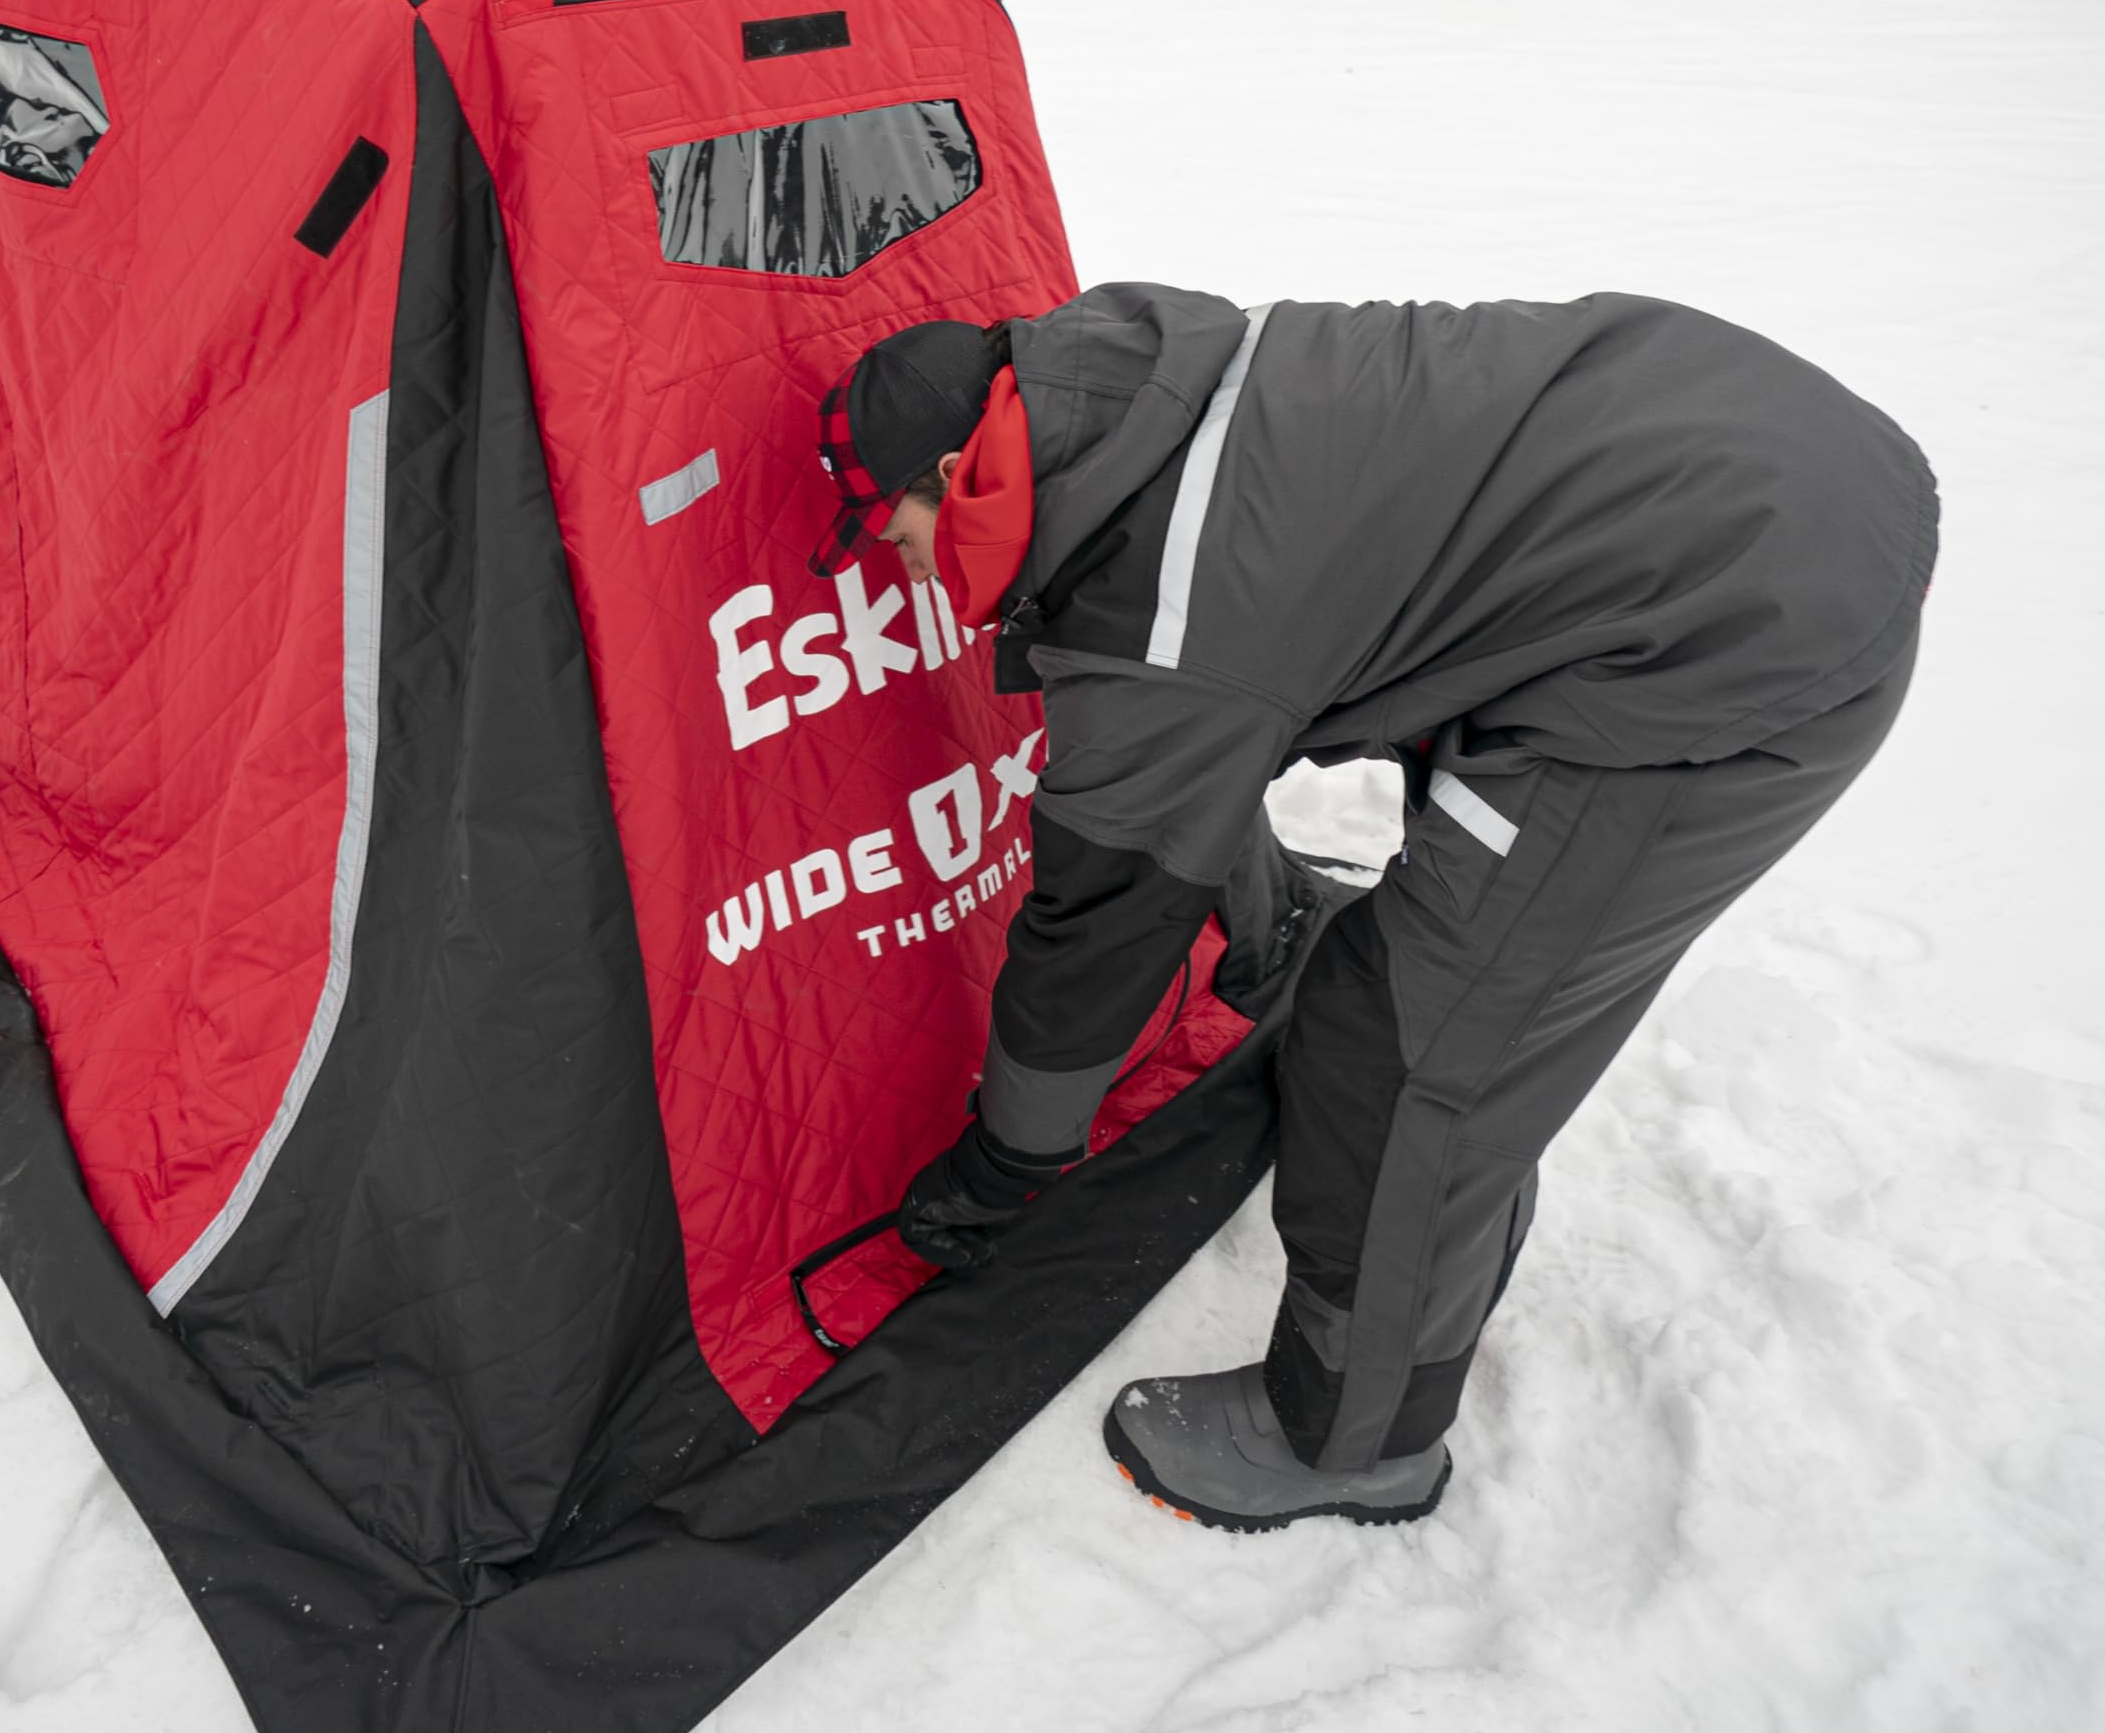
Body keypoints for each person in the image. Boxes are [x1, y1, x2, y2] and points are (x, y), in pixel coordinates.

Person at [809, 287, 1936, 1533]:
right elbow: (1212, 732)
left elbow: (1103, 912)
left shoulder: (1161, 613)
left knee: (1398, 1048)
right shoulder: (1141, 406)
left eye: (888, 526)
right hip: (1727, 463)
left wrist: (1008, 1159)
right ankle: (1429, 1199)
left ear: (961, 471)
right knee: (1433, 998)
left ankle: (1352, 1432)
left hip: (1726, 632)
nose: (893, 561)